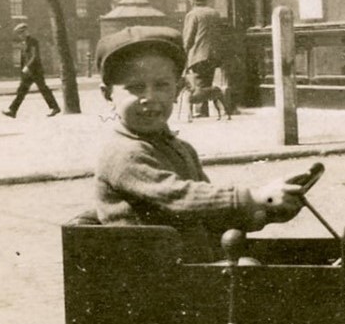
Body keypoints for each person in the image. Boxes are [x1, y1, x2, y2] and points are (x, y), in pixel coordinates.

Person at [94, 25, 304, 260]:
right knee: (252, 272)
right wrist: (254, 197)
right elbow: (178, 196)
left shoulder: (180, 149)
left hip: (186, 266)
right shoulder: (123, 153)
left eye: (162, 85)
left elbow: (209, 210)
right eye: (135, 88)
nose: (150, 98)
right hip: (147, 274)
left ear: (178, 90)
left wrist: (265, 212)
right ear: (107, 94)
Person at [2, 22, 61, 118]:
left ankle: (55, 108)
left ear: (26, 32)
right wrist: (22, 70)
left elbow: (35, 56)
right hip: (27, 73)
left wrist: (27, 66)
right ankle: (13, 110)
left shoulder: (33, 41)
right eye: (19, 34)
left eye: (21, 33)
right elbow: (23, 58)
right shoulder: (23, 43)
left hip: (35, 71)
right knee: (21, 91)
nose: (20, 35)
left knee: (43, 89)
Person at [182, 0, 222, 118]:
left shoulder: (192, 14)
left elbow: (188, 37)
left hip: (198, 54)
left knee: (199, 82)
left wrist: (184, 51)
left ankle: (201, 111)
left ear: (192, 2)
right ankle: (204, 109)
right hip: (214, 54)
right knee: (207, 82)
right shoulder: (215, 13)